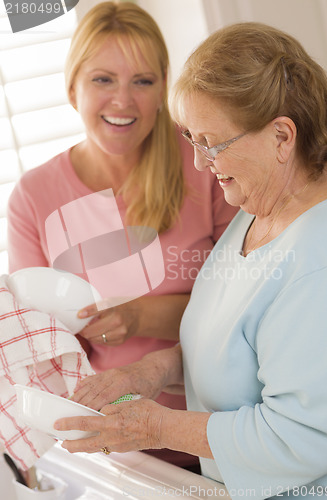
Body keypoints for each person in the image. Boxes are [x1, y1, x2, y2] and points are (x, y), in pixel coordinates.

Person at [53, 21, 327, 499]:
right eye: (192, 140)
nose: (201, 163)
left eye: (213, 143)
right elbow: (238, 353)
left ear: (282, 137)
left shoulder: (319, 262)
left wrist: (159, 428)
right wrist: (155, 370)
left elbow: (301, 438)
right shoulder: (254, 211)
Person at [7, 2, 236, 470]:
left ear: (162, 89)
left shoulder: (205, 164)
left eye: (143, 81)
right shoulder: (34, 197)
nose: (123, 101)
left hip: (220, 426)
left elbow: (243, 310)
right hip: (114, 445)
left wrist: (136, 317)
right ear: (73, 88)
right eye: (103, 79)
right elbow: (35, 344)